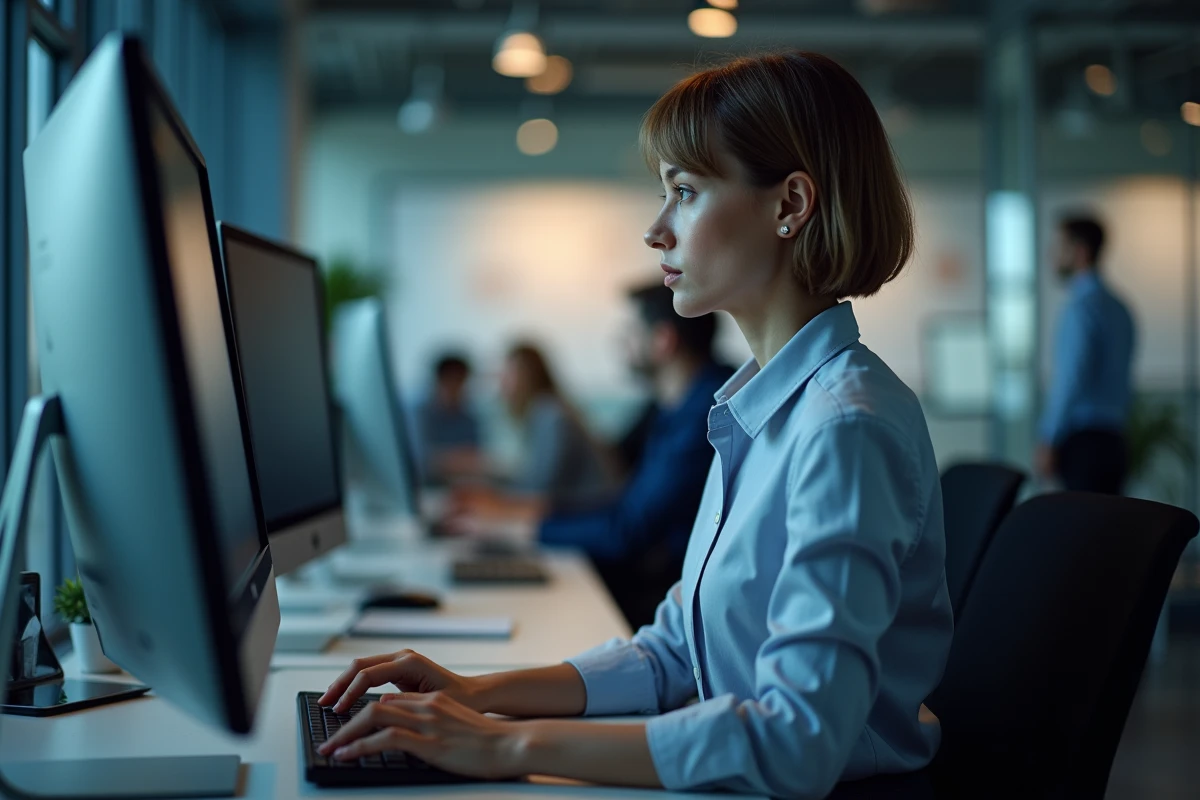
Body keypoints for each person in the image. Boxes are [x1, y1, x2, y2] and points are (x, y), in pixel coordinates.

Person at [317, 51, 952, 798]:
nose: (656, 231)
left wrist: (504, 746)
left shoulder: (845, 428)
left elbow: (795, 742)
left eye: (685, 192)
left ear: (790, 205)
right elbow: (673, 654)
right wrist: (476, 693)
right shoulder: (756, 407)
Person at [539, 283, 734, 628]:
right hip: (662, 589)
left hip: (679, 606)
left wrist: (530, 524)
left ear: (662, 340)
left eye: (629, 333)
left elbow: (627, 530)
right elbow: (614, 469)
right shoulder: (668, 404)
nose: (620, 344)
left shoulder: (707, 413)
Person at [452, 343, 614, 521]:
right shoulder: (546, 410)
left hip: (589, 516)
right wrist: (490, 475)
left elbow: (542, 490)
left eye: (507, 374)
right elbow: (535, 480)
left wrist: (492, 498)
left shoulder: (550, 415)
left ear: (525, 376)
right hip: (584, 511)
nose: (500, 383)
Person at [1035, 215, 1135, 494]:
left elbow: (1070, 380)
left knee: (1084, 534)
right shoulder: (1120, 308)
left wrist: (1048, 438)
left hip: (1083, 445)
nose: (1052, 255)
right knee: (1111, 531)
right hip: (1115, 441)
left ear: (1080, 252)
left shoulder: (1080, 309)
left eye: (1059, 247)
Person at [415, 353, 482, 485]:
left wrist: (446, 459)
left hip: (459, 487)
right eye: (452, 381)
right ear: (439, 381)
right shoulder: (421, 414)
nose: (457, 389)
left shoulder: (468, 418)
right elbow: (423, 460)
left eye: (461, 382)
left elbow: (475, 458)